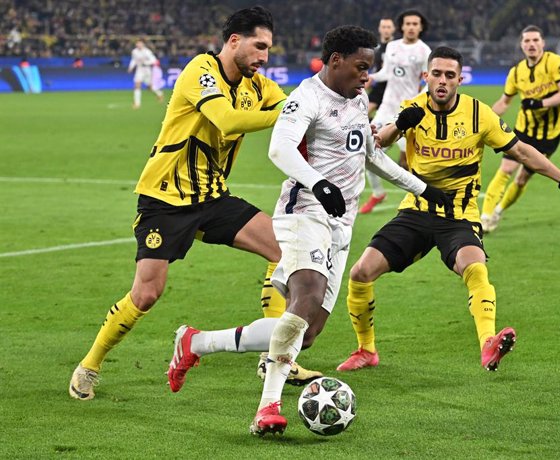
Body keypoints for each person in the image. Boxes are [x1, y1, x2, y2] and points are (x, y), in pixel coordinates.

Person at [165, 25, 451, 436]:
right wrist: (318, 182)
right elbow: (279, 148)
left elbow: (372, 155)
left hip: (341, 223)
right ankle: (267, 408)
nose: (367, 76)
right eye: (361, 67)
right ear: (335, 61)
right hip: (304, 213)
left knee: (308, 330)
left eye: (369, 68)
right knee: (306, 299)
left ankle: (195, 342)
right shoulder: (305, 98)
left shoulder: (356, 99)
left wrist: (424, 189)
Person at [68, 6, 318, 402]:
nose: (264, 57)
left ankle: (275, 359)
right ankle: (90, 364)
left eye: (268, 49)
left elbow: (294, 107)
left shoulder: (258, 86)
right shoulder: (199, 70)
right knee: (147, 293)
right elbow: (228, 121)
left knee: (284, 250)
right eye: (258, 46)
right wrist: (281, 113)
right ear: (234, 41)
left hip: (212, 197)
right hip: (165, 199)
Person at [336, 46, 560, 373]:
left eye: (450, 75)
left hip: (459, 215)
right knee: (361, 273)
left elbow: (521, 151)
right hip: (415, 212)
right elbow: (382, 143)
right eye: (437, 74)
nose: (443, 81)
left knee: (474, 268)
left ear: (460, 79)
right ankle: (366, 350)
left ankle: (488, 343)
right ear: (426, 76)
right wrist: (399, 125)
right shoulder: (414, 107)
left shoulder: (479, 114)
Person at [480, 25, 560, 233]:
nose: (531, 44)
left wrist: (540, 103)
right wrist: (483, 120)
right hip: (523, 131)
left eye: (535, 40)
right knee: (505, 169)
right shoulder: (516, 72)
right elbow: (504, 102)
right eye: (527, 41)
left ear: (542, 43)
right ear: (521, 45)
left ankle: (499, 210)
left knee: (522, 179)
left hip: (549, 135)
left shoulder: (554, 63)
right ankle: (484, 217)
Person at [360, 10, 431, 214]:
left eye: (415, 24)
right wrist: (372, 77)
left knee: (408, 162)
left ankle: (420, 201)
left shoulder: (424, 51)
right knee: (369, 150)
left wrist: (417, 102)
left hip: (406, 112)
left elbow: (428, 83)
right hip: (386, 108)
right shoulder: (391, 47)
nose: (411, 27)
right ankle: (377, 193)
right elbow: (387, 73)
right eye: (407, 23)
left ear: (420, 27)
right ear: (402, 26)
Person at [367, 17, 395, 118]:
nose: (386, 30)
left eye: (388, 27)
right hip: (379, 87)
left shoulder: (396, 47)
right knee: (364, 114)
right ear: (379, 29)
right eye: (384, 27)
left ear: (393, 29)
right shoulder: (377, 49)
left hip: (393, 87)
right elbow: (376, 67)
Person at [128, 40, 164, 108]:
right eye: (137, 44)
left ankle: (160, 93)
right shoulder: (134, 52)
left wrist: (146, 62)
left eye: (140, 44)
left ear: (143, 44)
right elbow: (133, 60)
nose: (139, 45)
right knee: (137, 85)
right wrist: (131, 67)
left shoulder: (147, 51)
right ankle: (137, 103)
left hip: (147, 70)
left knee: (150, 87)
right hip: (139, 69)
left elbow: (154, 60)